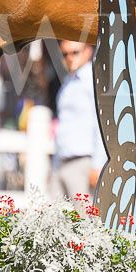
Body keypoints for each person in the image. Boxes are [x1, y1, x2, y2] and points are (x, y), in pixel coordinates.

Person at [50, 42, 106, 199]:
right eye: (65, 54)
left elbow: (100, 124)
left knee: (82, 213)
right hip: (61, 159)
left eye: (75, 52)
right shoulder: (69, 81)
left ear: (88, 51)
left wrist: (98, 165)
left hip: (82, 161)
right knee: (53, 212)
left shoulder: (94, 80)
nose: (69, 58)